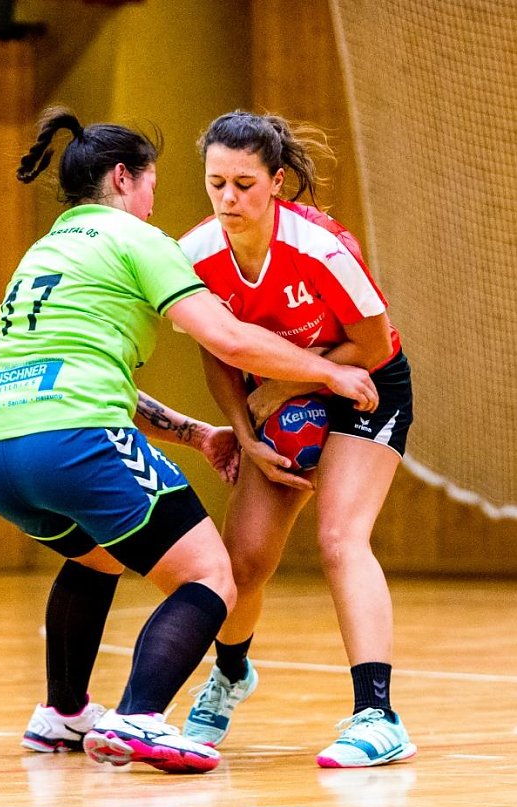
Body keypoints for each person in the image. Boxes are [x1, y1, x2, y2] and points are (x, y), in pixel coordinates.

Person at [0, 106, 378, 775]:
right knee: (210, 573)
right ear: (124, 178)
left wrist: (193, 433)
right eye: (154, 184)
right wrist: (329, 369)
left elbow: (81, 375)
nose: (158, 202)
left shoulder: (45, 251)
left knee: (96, 555)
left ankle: (63, 714)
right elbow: (230, 338)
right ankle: (140, 717)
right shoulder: (135, 239)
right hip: (71, 439)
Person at [178, 110, 417, 768]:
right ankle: (229, 677)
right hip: (279, 394)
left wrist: (280, 390)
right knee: (244, 560)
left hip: (364, 383)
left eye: (244, 184)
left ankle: (378, 715)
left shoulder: (320, 247)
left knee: (339, 539)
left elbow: (369, 343)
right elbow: (215, 348)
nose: (229, 199)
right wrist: (244, 432)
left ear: (276, 182)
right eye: (216, 183)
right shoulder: (195, 253)